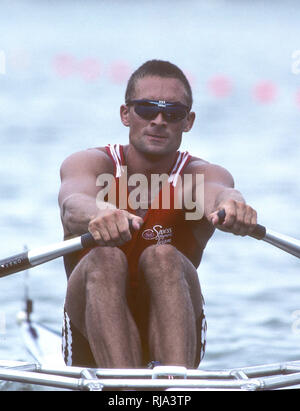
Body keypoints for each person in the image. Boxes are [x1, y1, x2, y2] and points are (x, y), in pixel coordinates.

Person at [59, 59, 257, 369]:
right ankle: (125, 390)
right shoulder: (91, 163)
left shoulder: (199, 174)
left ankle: (175, 388)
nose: (159, 120)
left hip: (174, 326)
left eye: (173, 113)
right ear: (126, 114)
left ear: (188, 121)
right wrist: (102, 212)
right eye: (147, 109)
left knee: (162, 256)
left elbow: (219, 193)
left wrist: (233, 204)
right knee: (104, 258)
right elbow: (73, 205)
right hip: (91, 324)